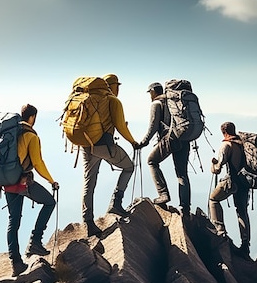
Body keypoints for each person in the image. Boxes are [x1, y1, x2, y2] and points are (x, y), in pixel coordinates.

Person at [5, 104, 59, 276]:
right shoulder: (31, 136)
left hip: (7, 181)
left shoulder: (11, 133)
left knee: (13, 221)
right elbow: (37, 163)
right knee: (50, 202)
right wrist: (52, 180)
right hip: (22, 182)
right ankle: (35, 241)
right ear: (32, 117)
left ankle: (16, 262)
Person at [82, 73, 138, 237]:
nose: (118, 89)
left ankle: (88, 222)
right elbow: (121, 126)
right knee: (128, 167)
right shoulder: (113, 100)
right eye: (117, 86)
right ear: (113, 86)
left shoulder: (90, 99)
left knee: (89, 182)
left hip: (87, 146)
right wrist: (133, 142)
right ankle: (116, 202)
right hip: (104, 146)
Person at [138, 82, 191, 215]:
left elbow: (153, 126)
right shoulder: (172, 102)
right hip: (184, 138)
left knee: (152, 161)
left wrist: (143, 142)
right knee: (182, 173)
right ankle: (185, 208)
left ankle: (163, 194)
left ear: (153, 91)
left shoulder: (157, 103)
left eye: (149, 92)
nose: (150, 95)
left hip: (170, 138)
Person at [209, 121, 250, 257]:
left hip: (232, 182)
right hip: (245, 183)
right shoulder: (242, 144)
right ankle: (245, 246)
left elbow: (218, 168)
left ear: (224, 132)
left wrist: (213, 165)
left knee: (213, 199)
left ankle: (220, 231)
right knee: (242, 212)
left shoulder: (226, 145)